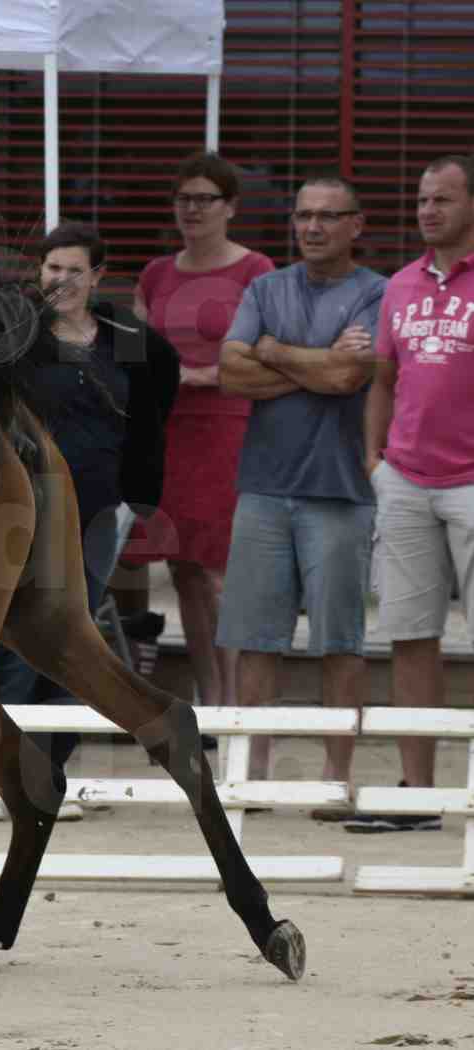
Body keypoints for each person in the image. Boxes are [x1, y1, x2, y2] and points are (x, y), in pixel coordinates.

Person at [0, 223, 179, 822]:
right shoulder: (17, 338)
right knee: (11, 634)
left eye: (73, 269)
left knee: (72, 638)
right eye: (52, 268)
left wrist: (140, 494)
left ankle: (49, 772)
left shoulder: (126, 340)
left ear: (97, 276)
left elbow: (156, 400)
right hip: (17, 509)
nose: (60, 280)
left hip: (101, 508)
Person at [216, 176, 385, 809]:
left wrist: (275, 352)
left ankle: (336, 780)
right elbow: (232, 372)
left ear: (355, 225)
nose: (312, 228)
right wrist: (316, 366)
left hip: (340, 492)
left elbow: (351, 375)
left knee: (339, 642)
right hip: (262, 488)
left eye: (328, 217)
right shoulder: (265, 287)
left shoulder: (377, 292)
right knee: (256, 640)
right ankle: (250, 775)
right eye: (303, 216)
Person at [350, 154, 474, 834]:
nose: (428, 210)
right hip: (404, 482)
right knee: (409, 636)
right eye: (422, 199)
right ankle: (415, 794)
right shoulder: (397, 285)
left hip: (471, 484)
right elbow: (381, 380)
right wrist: (373, 460)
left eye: (443, 199)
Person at [124, 152, 275, 711]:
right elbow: (135, 348)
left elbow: (265, 350)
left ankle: (241, 708)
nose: (192, 209)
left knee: (220, 574)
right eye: (184, 199)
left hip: (226, 427)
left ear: (231, 206)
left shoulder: (255, 270)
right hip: (166, 430)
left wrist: (207, 374)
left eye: (205, 199)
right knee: (183, 569)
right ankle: (210, 704)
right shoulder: (157, 273)